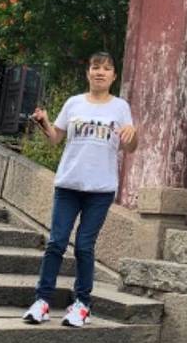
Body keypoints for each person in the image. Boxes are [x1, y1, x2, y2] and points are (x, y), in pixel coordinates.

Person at [23, 51, 137, 327]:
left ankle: (82, 304)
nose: (100, 72)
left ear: (113, 76)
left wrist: (134, 135)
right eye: (95, 67)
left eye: (106, 68)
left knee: (85, 246)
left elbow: (130, 147)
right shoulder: (74, 103)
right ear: (88, 73)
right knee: (56, 242)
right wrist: (43, 122)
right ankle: (42, 301)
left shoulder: (120, 107)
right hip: (69, 184)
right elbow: (55, 138)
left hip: (100, 188)